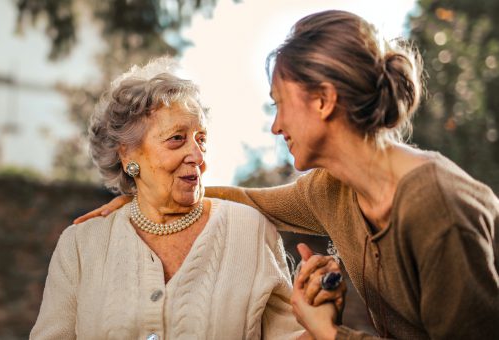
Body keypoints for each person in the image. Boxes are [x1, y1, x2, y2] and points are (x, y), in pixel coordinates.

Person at [74, 10, 499, 339]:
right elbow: (248, 200)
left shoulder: (436, 208)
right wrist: (146, 195)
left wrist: (327, 330)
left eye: (280, 103)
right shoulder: (332, 190)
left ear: (323, 101)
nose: (276, 126)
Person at [31, 58, 344, 339]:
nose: (196, 155)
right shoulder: (81, 245)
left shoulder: (250, 231)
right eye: (177, 139)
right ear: (127, 155)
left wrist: (320, 317)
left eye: (201, 139)